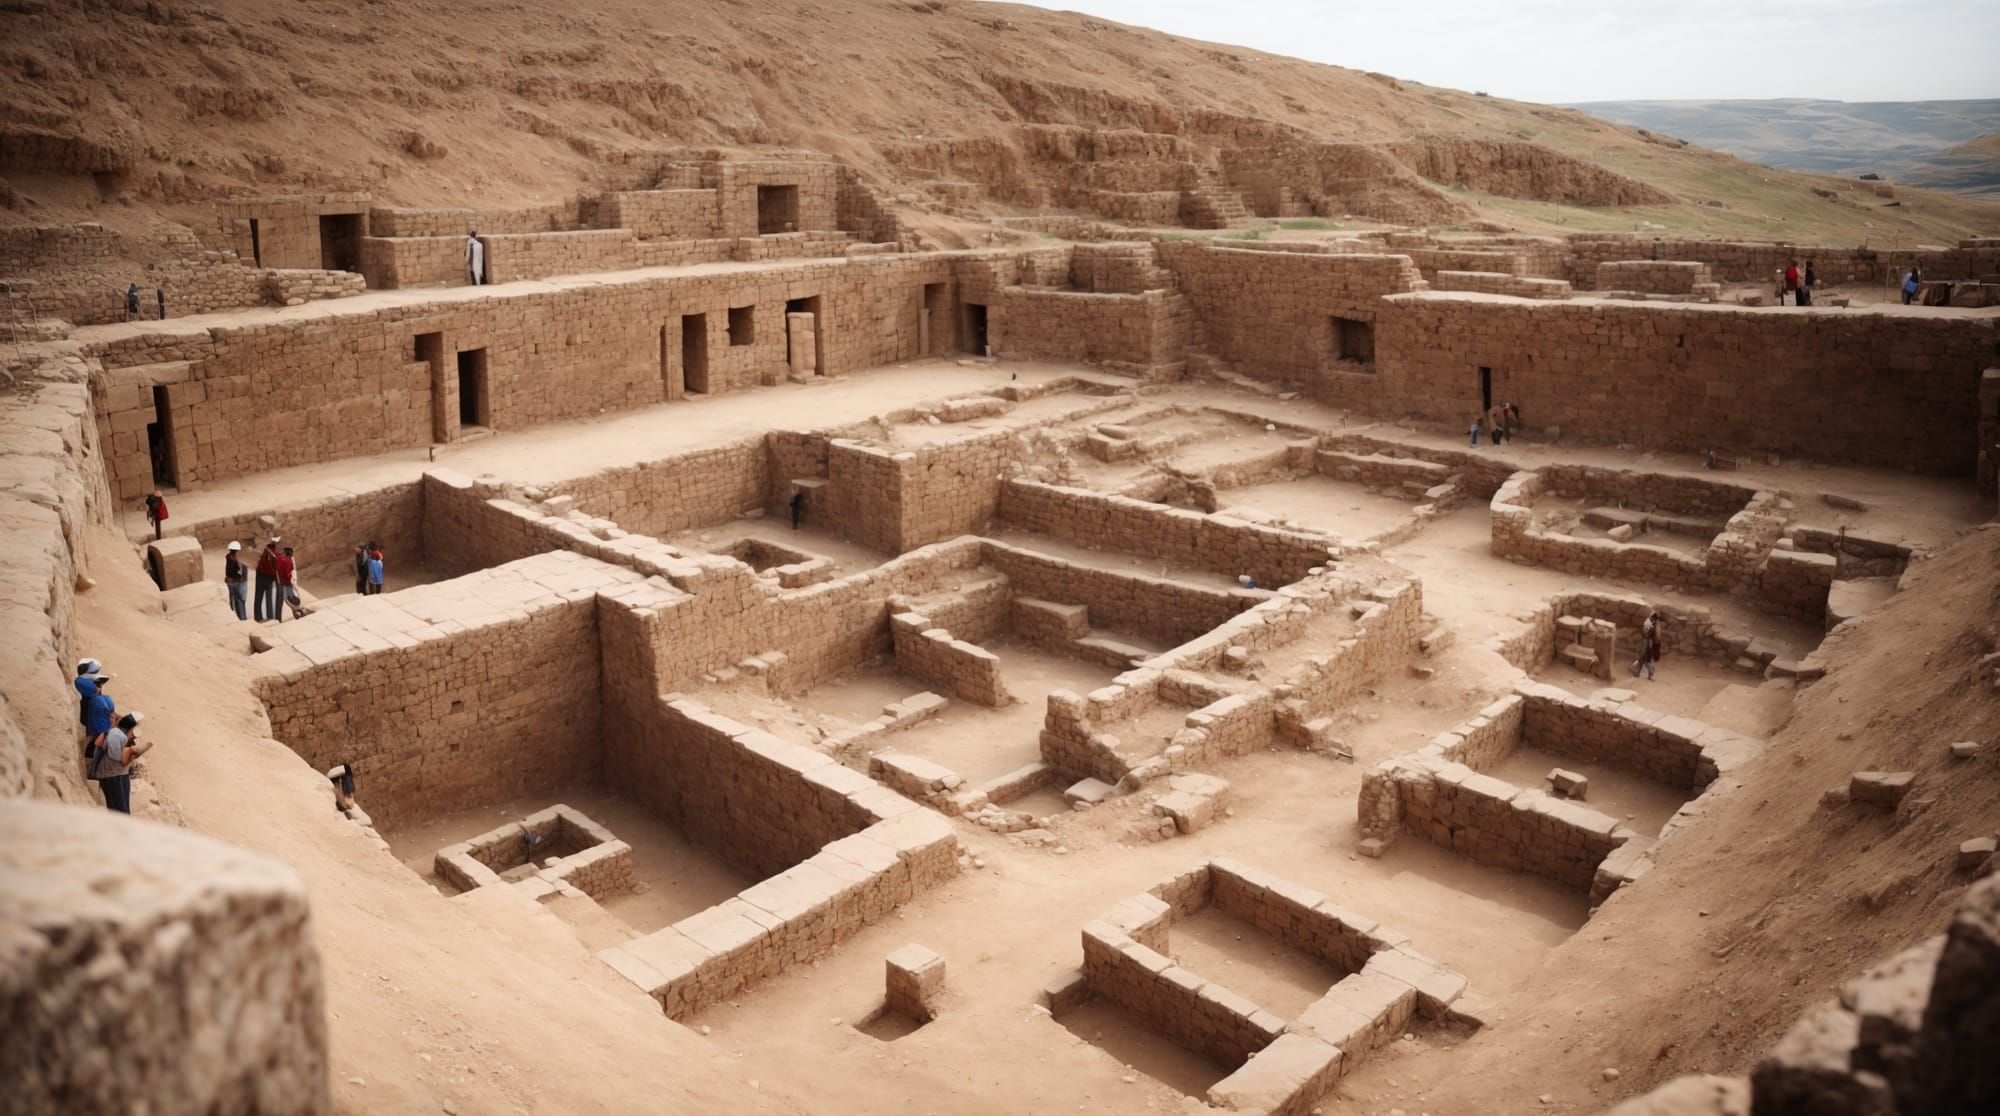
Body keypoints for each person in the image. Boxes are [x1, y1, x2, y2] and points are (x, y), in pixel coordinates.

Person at [89, 711, 153, 815]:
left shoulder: (119, 734)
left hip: (120, 774)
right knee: (118, 807)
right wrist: (133, 752)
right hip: (111, 775)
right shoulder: (115, 734)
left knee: (122, 805)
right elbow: (115, 756)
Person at [254, 536, 282, 622]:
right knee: (269, 597)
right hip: (269, 578)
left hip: (260, 576)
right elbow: (277, 568)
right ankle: (270, 617)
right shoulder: (277, 553)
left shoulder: (266, 550)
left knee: (258, 597)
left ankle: (258, 617)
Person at [1631, 613, 1664, 681]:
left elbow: (1650, 633)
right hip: (1649, 642)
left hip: (1649, 642)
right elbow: (1654, 635)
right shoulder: (1652, 623)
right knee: (1646, 658)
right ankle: (1642, 672)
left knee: (1645, 658)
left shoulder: (1651, 623)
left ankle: (1638, 671)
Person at [224, 540, 249, 620]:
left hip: (234, 582)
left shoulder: (229, 558)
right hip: (239, 583)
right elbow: (241, 574)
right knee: (240, 601)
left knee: (234, 601)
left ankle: (238, 618)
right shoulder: (241, 560)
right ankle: (242, 618)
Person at [278, 545, 301, 620]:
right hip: (287, 581)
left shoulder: (285, 560)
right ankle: (295, 611)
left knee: (288, 597)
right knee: (290, 596)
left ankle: (295, 611)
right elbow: (290, 571)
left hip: (285, 581)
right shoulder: (288, 560)